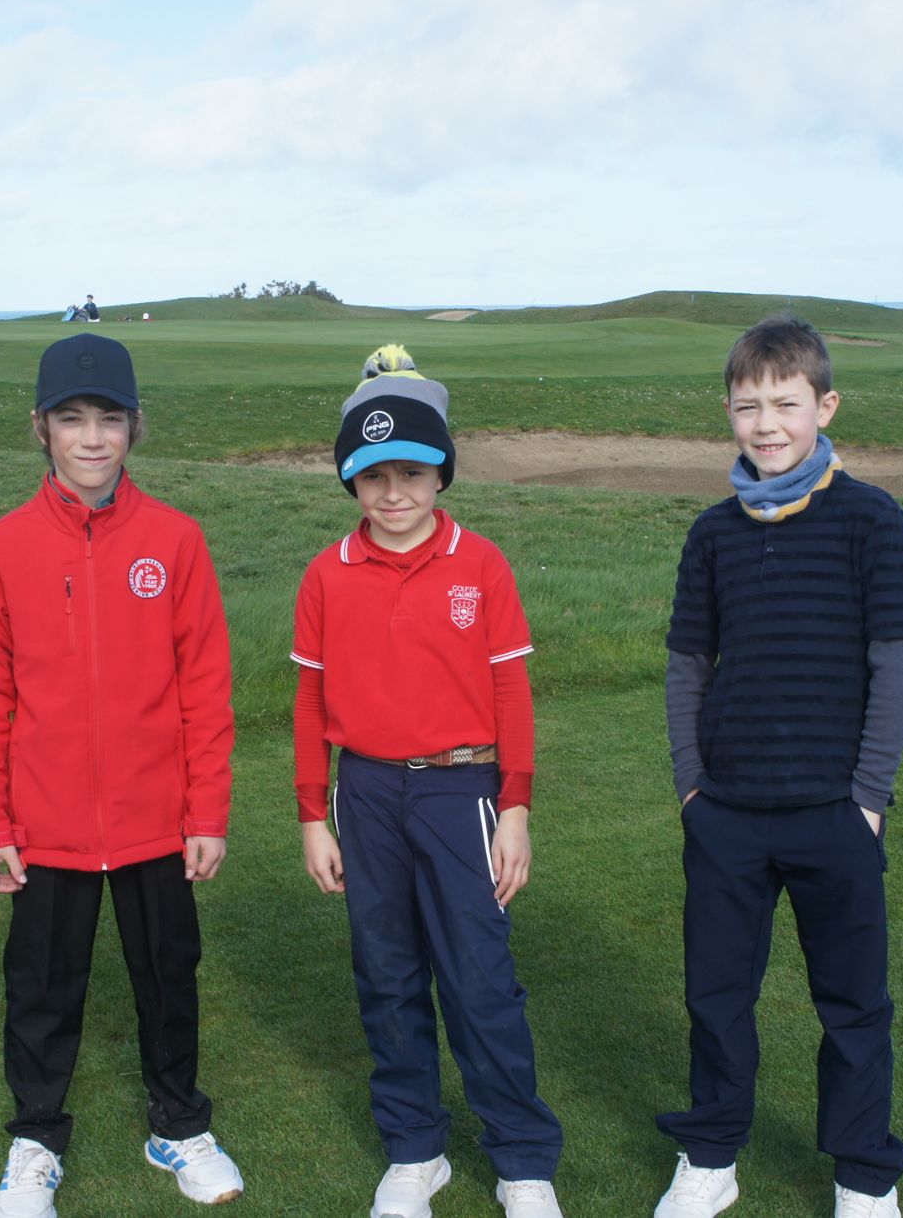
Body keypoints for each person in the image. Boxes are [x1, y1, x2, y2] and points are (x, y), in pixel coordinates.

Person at [0, 332, 245, 1217]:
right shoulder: (3, 545)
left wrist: (207, 811)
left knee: (169, 974)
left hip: (157, 815)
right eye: (72, 418)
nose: (92, 437)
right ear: (40, 427)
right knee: (42, 988)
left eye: (110, 418)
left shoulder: (175, 539)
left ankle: (178, 1124)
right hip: (46, 825)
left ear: (135, 427)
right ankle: (36, 1140)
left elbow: (205, 685)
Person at [652, 316, 903, 1218]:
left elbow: (897, 661)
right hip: (727, 811)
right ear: (729, 413)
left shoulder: (871, 517)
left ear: (825, 405)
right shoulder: (713, 533)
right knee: (716, 995)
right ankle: (711, 1155)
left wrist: (868, 799)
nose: (766, 423)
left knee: (852, 1003)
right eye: (747, 406)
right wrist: (692, 786)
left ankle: (864, 1175)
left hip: (834, 812)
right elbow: (688, 664)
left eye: (785, 403)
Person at [292, 346, 566, 1218]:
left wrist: (515, 805)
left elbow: (510, 690)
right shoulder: (327, 572)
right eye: (373, 475)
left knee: (479, 976)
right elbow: (309, 701)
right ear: (352, 481)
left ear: (441, 473)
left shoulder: (479, 563)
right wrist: (312, 814)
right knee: (387, 973)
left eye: (411, 472)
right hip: (366, 791)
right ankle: (415, 1149)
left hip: (463, 790)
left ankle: (522, 1159)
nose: (393, 492)